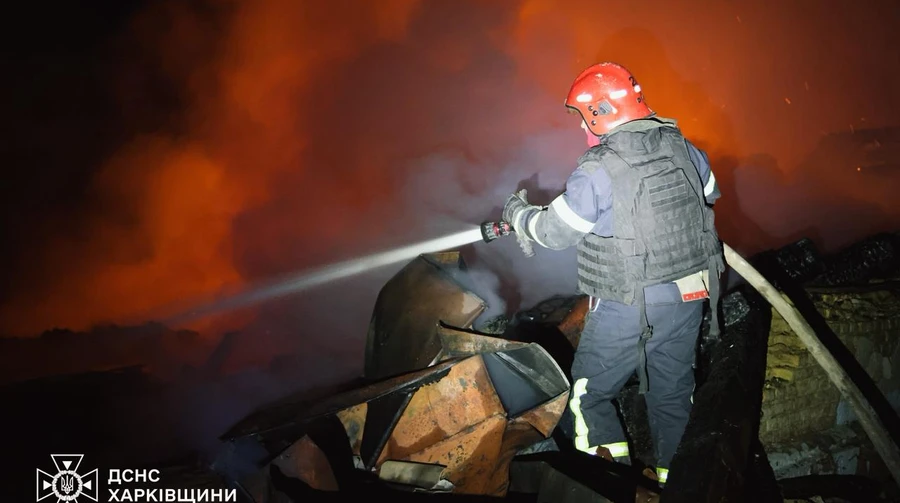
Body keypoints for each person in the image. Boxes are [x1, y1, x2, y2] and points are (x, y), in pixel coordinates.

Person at [501, 61, 725, 484]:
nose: (582, 129)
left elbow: (553, 232)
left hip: (630, 303)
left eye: (583, 118)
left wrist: (518, 214)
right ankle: (673, 487)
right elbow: (709, 193)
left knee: (587, 397)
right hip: (691, 295)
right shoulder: (682, 146)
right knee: (673, 393)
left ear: (598, 113)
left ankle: (610, 487)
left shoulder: (598, 168)